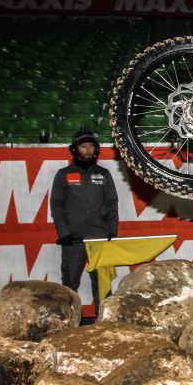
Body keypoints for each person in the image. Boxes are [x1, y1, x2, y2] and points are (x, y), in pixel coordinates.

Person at [50, 127, 119, 314]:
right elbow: (56, 206)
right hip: (73, 240)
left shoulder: (103, 174)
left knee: (102, 284)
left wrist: (112, 231)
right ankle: (69, 320)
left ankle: (104, 320)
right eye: (83, 146)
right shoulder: (63, 174)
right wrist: (63, 233)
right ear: (75, 150)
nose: (88, 150)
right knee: (69, 285)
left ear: (96, 149)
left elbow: (112, 203)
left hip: (99, 239)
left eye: (90, 146)